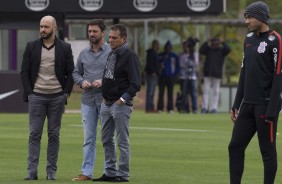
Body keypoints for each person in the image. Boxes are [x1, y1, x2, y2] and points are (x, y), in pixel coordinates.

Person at [228, 1, 282, 184]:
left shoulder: (276, 40)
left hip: (265, 106)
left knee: (267, 151)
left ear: (260, 17)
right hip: (247, 105)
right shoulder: (249, 39)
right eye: (246, 17)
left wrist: (273, 111)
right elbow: (244, 72)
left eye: (249, 17)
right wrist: (236, 104)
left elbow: (278, 77)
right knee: (235, 146)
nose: (247, 21)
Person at [21, 15, 74, 180]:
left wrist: (65, 93)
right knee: (34, 134)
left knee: (54, 135)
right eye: (41, 26)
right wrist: (30, 93)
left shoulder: (65, 47)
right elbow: (24, 71)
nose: (43, 29)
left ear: (54, 28)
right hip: (36, 96)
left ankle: (51, 172)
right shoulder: (31, 46)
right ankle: (32, 172)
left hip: (57, 97)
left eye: (46, 27)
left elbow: (71, 72)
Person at [93, 24, 141, 182]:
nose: (110, 40)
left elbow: (136, 84)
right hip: (105, 103)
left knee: (122, 141)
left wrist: (122, 99)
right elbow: (110, 77)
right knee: (106, 139)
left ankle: (123, 175)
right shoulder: (112, 54)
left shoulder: (130, 56)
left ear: (124, 39)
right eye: (110, 37)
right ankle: (110, 172)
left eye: (114, 38)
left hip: (120, 104)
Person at [72, 19, 111, 181]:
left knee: (108, 138)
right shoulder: (83, 54)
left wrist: (103, 81)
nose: (92, 34)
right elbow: (75, 73)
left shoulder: (111, 52)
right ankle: (86, 172)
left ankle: (110, 171)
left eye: (95, 31)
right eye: (89, 31)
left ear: (103, 33)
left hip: (105, 100)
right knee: (89, 139)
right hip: (87, 100)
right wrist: (82, 82)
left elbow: (117, 74)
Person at [199, 36, 231, 113]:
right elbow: (201, 50)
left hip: (217, 73)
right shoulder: (208, 49)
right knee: (206, 90)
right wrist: (206, 42)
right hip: (208, 73)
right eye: (214, 43)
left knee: (216, 91)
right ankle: (204, 107)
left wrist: (223, 42)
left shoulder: (221, 50)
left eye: (217, 43)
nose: (215, 44)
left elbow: (228, 49)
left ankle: (214, 108)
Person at [157, 40, 179, 113]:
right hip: (162, 77)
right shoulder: (161, 55)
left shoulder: (174, 56)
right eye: (167, 47)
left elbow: (177, 67)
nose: (168, 48)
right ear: (164, 48)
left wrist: (175, 75)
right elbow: (157, 63)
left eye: (169, 47)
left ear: (171, 48)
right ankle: (160, 108)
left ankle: (170, 108)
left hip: (171, 77)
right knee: (161, 93)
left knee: (170, 93)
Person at [178, 37, 199, 113]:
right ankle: (184, 108)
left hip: (192, 76)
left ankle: (194, 108)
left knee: (193, 93)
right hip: (184, 76)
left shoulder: (194, 54)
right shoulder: (182, 55)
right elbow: (181, 64)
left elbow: (196, 63)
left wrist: (191, 63)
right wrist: (188, 64)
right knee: (184, 93)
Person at [144, 39, 160, 113]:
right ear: (155, 45)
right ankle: (148, 108)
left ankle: (151, 107)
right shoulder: (151, 53)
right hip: (151, 75)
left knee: (152, 92)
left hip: (154, 75)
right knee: (150, 92)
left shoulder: (154, 53)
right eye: (158, 44)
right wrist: (153, 71)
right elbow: (150, 64)